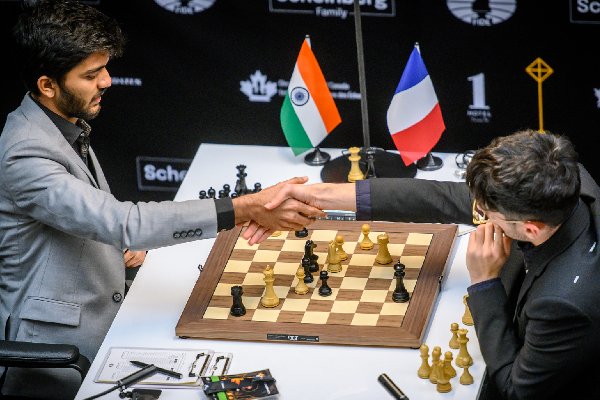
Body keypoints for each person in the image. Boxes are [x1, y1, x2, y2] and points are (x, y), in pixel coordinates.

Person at [0, 1, 323, 398]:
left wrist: (113, 249)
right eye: (91, 74)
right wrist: (243, 208)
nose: (107, 81)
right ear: (48, 85)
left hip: (109, 308)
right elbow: (121, 222)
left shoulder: (60, 124)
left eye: (104, 69)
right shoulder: (25, 152)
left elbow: (81, 220)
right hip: (62, 352)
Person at [262, 129, 600, 400]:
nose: (478, 214)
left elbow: (517, 388)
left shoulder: (564, 303)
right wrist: (319, 196)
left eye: (486, 214)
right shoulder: (565, 181)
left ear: (530, 229)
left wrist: (484, 283)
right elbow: (441, 198)